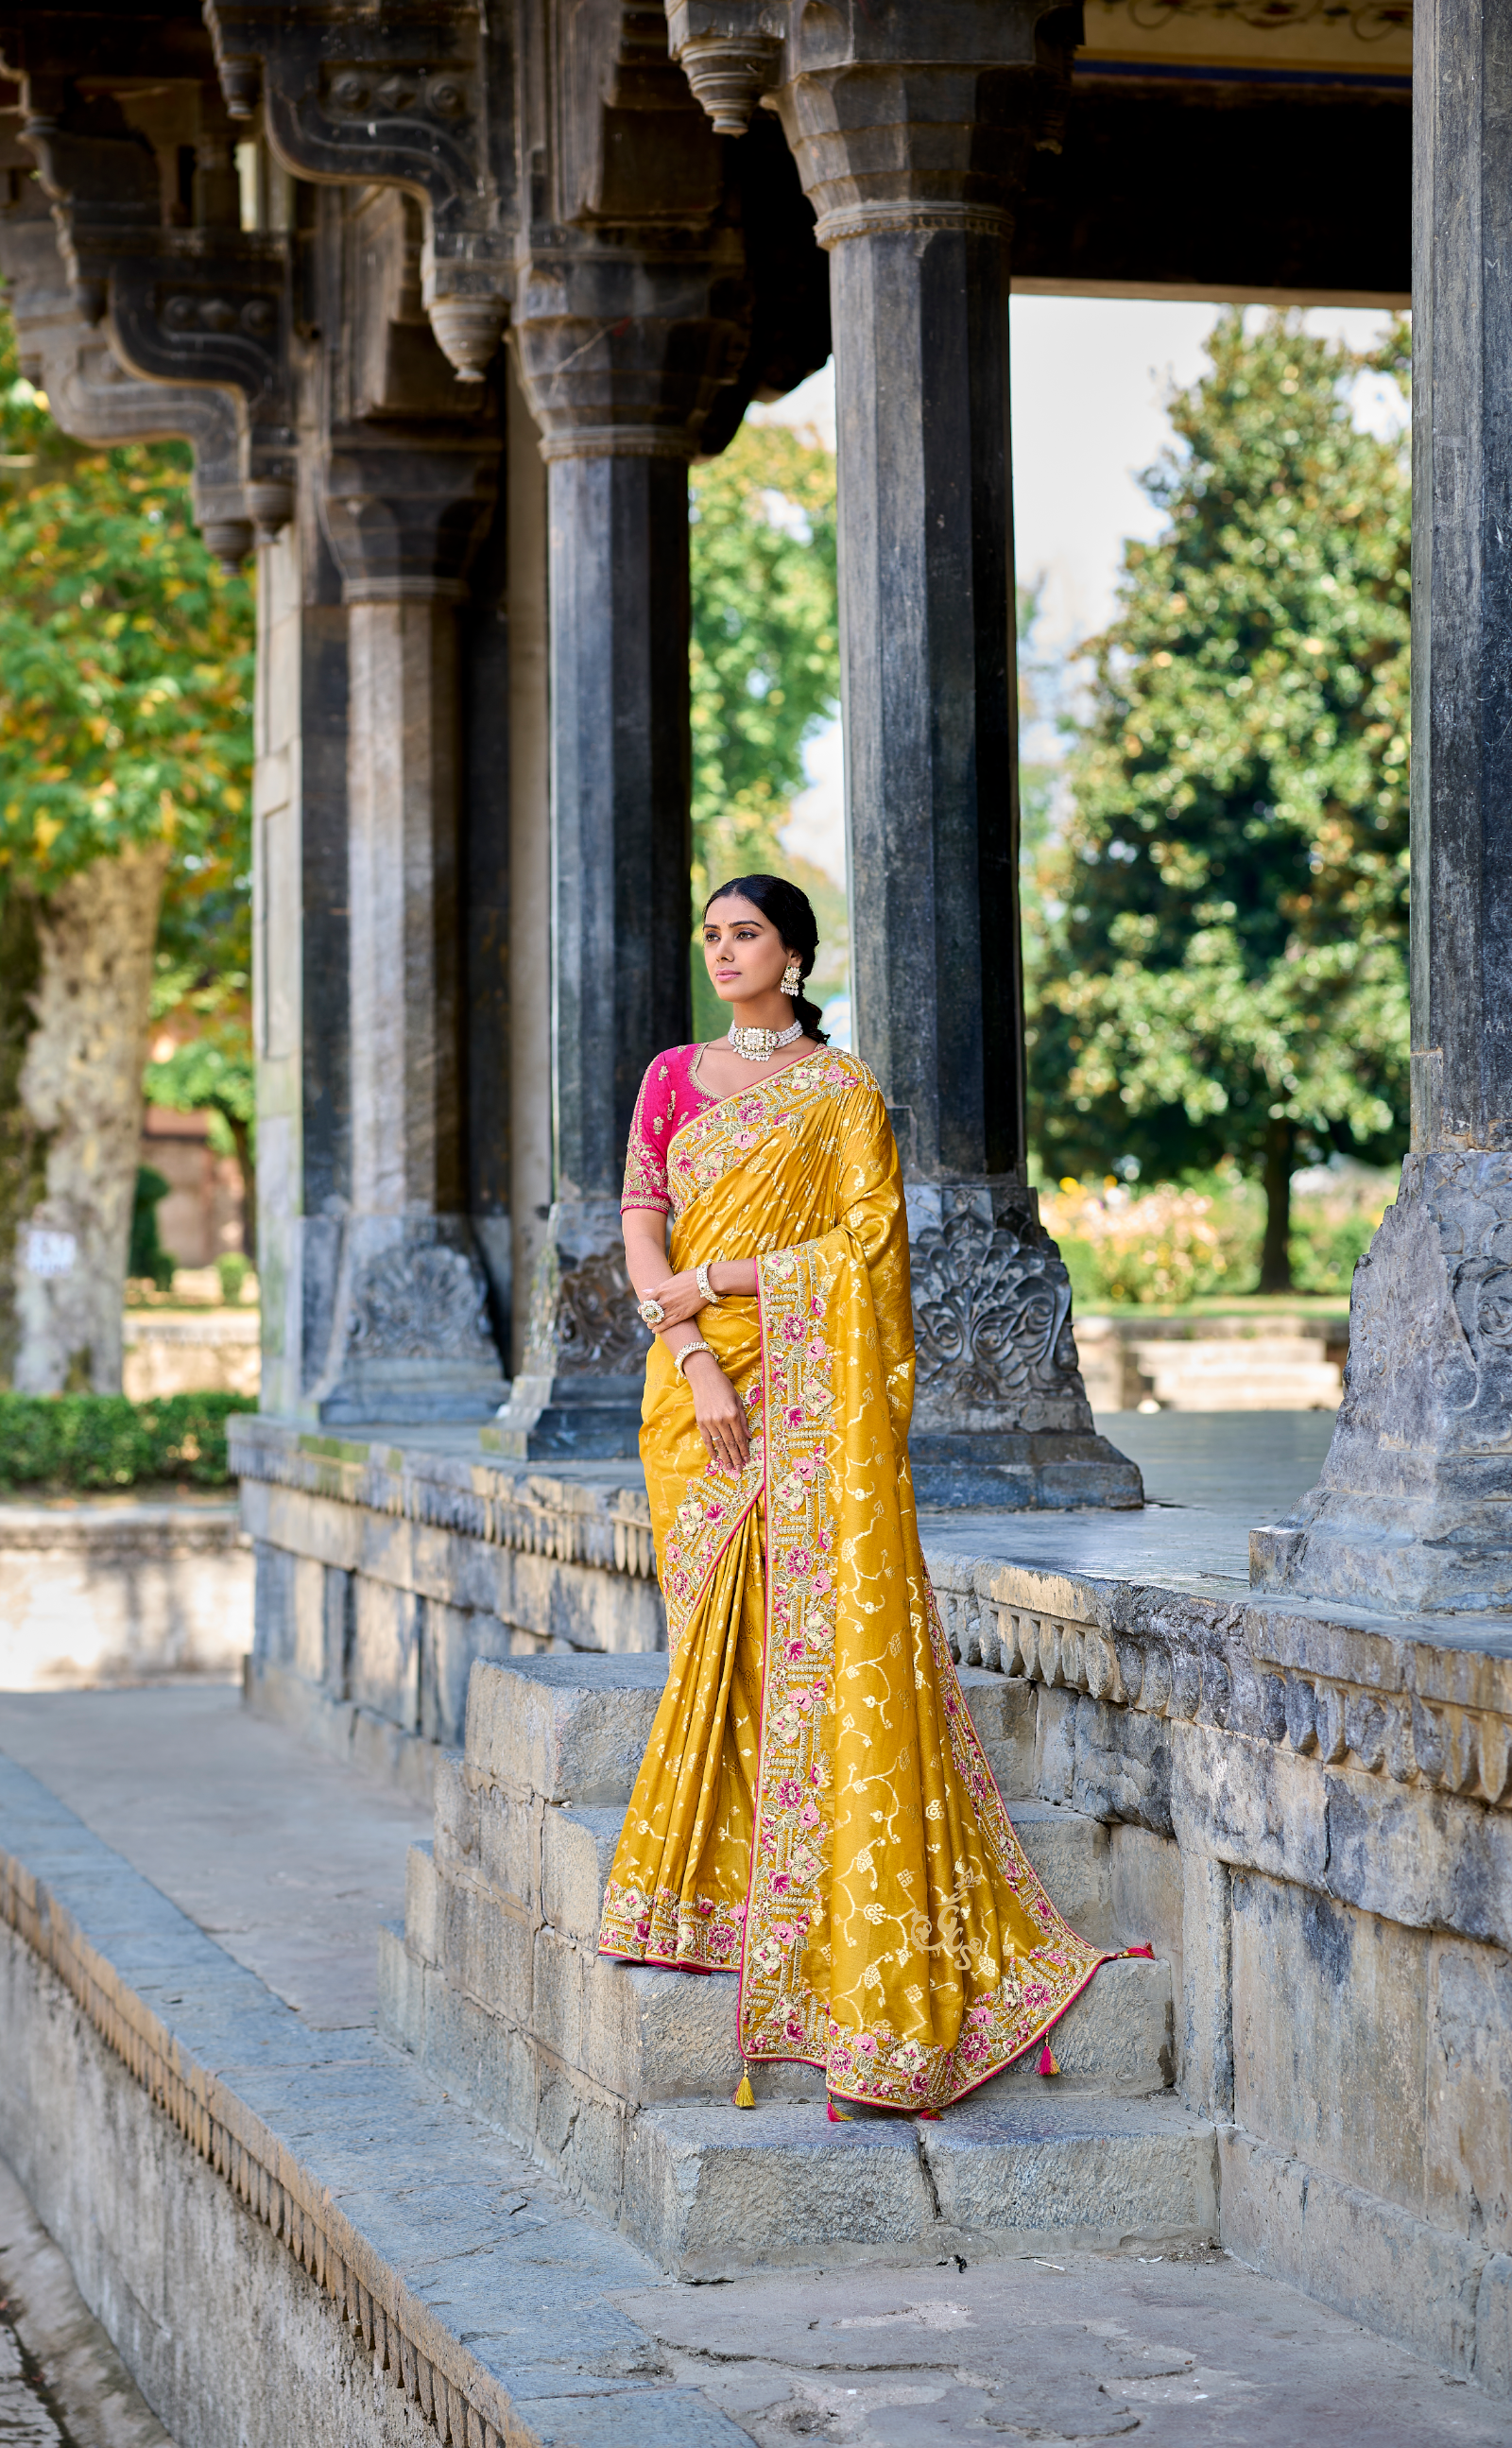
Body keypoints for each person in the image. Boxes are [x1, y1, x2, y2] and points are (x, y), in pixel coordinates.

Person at [601, 872, 1110, 2114]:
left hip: (801, 1380)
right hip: (695, 1393)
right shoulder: (673, 1074)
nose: (724, 952)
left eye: (747, 934)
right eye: (712, 935)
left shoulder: (841, 1092)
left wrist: (722, 1274)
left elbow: (867, 1255)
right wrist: (693, 1352)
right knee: (713, 1628)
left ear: (793, 952)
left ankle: (821, 1855)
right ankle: (719, 1886)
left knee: (806, 1638)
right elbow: (638, 1216)